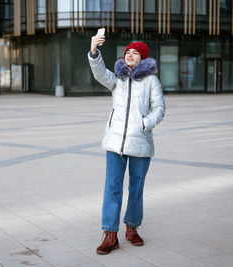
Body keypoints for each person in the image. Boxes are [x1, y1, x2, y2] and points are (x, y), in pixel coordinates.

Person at [88, 33, 166, 255]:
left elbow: (159, 109)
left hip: (140, 142)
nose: (131, 55)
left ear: (142, 58)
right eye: (128, 52)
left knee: (136, 188)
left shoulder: (151, 81)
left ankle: (131, 228)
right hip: (115, 142)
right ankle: (110, 234)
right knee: (112, 188)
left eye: (136, 53)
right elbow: (100, 73)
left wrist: (144, 124)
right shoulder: (117, 80)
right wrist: (94, 51)